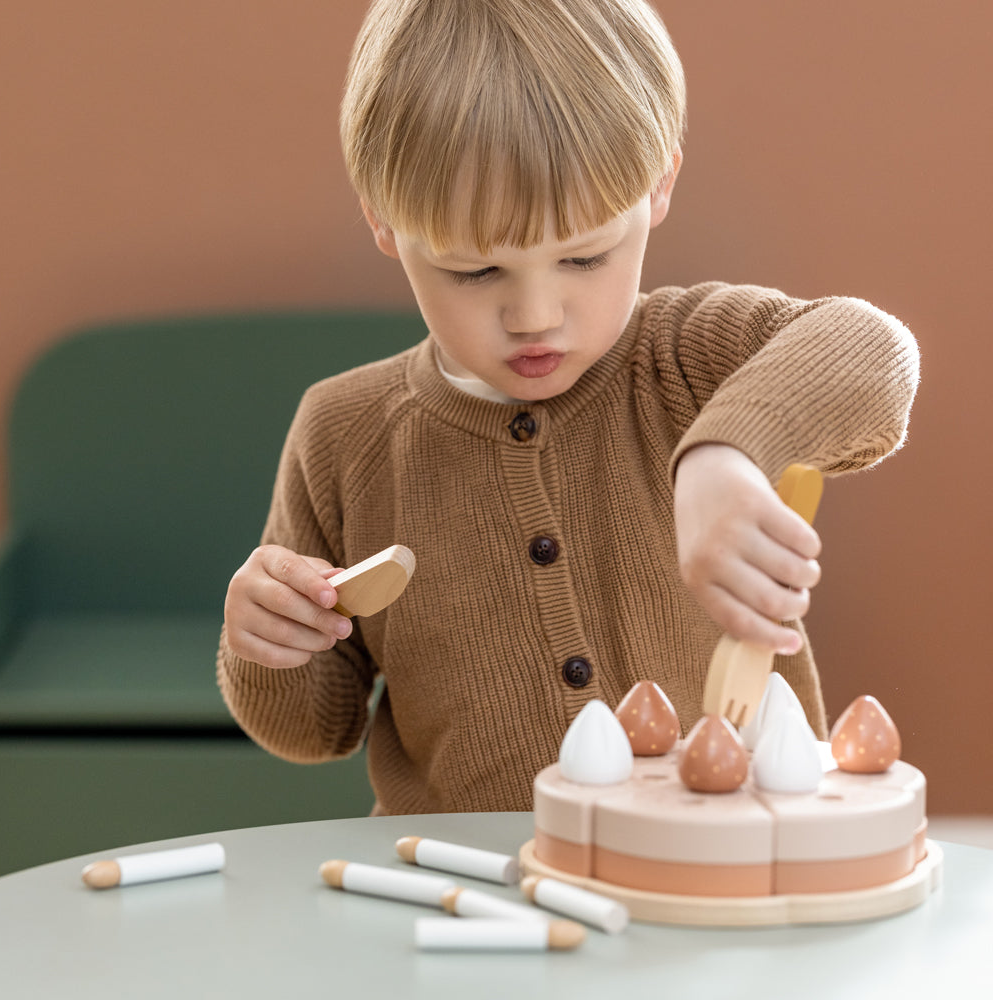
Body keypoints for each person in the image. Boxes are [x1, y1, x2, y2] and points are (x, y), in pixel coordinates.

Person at [217, 0, 919, 814]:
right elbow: (315, 730)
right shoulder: (344, 434)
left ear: (659, 188)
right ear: (383, 220)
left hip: (710, 879)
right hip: (466, 894)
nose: (535, 316)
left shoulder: (689, 356)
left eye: (584, 256)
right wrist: (268, 643)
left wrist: (727, 455)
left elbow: (874, 350)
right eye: (475, 273)